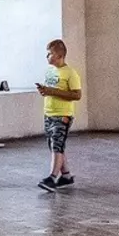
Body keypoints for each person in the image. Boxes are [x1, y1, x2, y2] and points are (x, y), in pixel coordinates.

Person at [35, 39, 82, 193]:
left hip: (63, 115)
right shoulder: (50, 71)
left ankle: (52, 177)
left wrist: (52, 92)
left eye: (50, 54)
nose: (47, 57)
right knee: (55, 145)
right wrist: (44, 91)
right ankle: (66, 175)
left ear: (60, 55)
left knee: (57, 145)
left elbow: (76, 95)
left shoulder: (70, 73)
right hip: (49, 113)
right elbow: (50, 90)